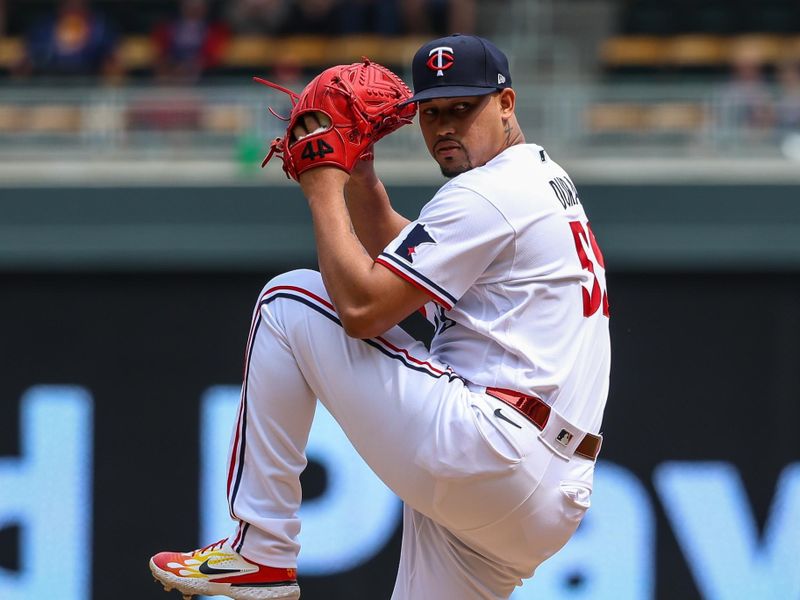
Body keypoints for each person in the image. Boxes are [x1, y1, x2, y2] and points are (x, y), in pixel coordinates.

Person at [149, 34, 611, 600]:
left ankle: (262, 550)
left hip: (492, 448)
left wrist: (323, 186)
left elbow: (364, 309)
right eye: (431, 111)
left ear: (506, 103)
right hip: (544, 494)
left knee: (287, 301)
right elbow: (408, 268)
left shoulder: (487, 194)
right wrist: (361, 177)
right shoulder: (535, 180)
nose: (445, 126)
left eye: (464, 108)